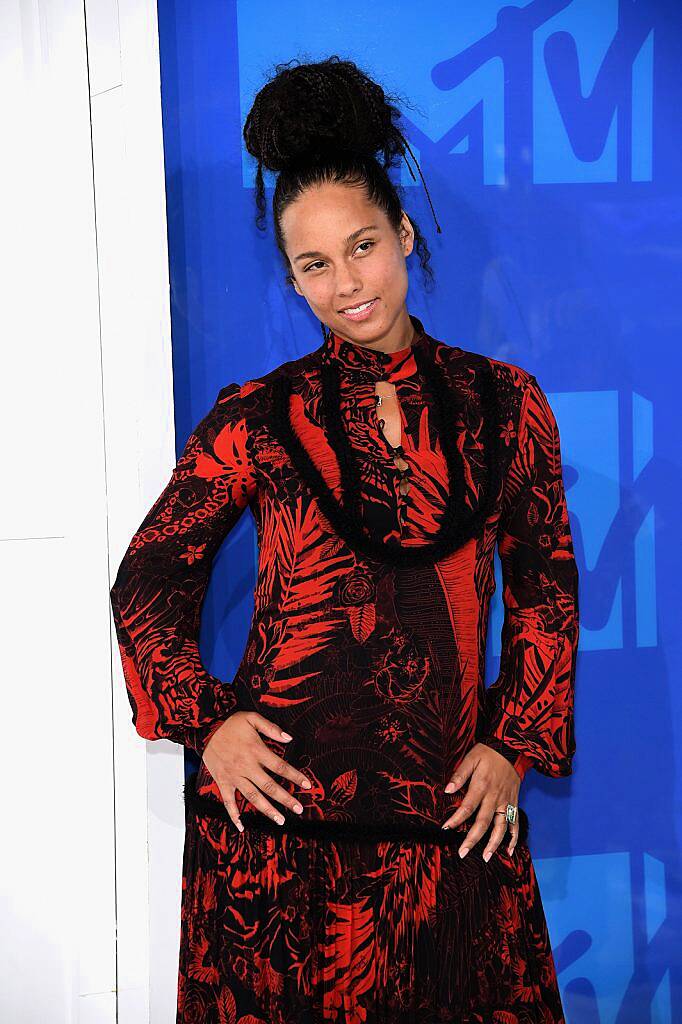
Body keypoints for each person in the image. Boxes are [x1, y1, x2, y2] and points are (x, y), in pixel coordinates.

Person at [110, 55, 579, 1024]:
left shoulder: (505, 406)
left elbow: (546, 591)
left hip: (448, 833)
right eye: (313, 264)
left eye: (361, 246)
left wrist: (511, 743)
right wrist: (208, 720)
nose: (345, 283)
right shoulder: (258, 414)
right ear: (289, 277)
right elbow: (147, 580)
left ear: (402, 234)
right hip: (276, 855)